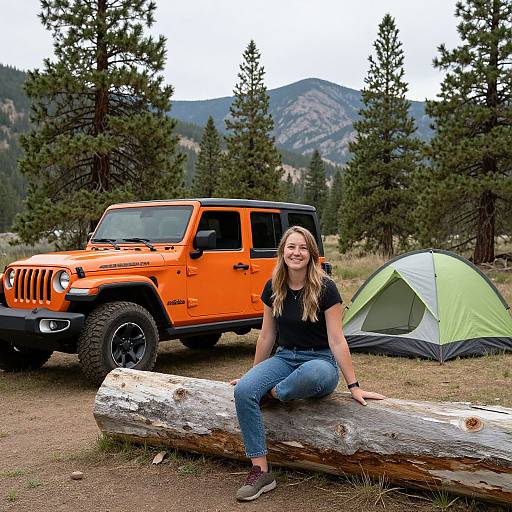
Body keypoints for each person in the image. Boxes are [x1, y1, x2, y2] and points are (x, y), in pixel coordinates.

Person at [230, 226, 385, 501]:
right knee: (243, 390)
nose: (296, 253)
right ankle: (261, 471)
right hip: (284, 357)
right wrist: (253, 376)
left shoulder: (326, 288)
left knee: (311, 373)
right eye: (291, 247)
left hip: (320, 361)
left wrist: (354, 386)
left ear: (311, 253)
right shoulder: (273, 286)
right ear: (283, 252)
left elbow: (337, 340)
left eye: (302, 248)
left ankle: (274, 394)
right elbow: (267, 336)